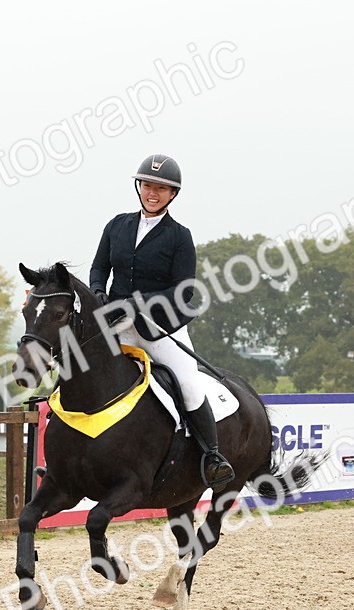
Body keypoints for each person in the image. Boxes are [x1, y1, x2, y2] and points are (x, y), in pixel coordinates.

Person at [88, 153, 235, 488]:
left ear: (173, 194)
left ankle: (212, 456)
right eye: (148, 185)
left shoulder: (179, 236)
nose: (153, 193)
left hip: (161, 327)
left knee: (188, 384)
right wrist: (98, 291)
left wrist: (138, 303)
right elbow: (99, 268)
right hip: (118, 326)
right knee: (85, 369)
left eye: (162, 188)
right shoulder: (117, 225)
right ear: (139, 187)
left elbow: (184, 290)